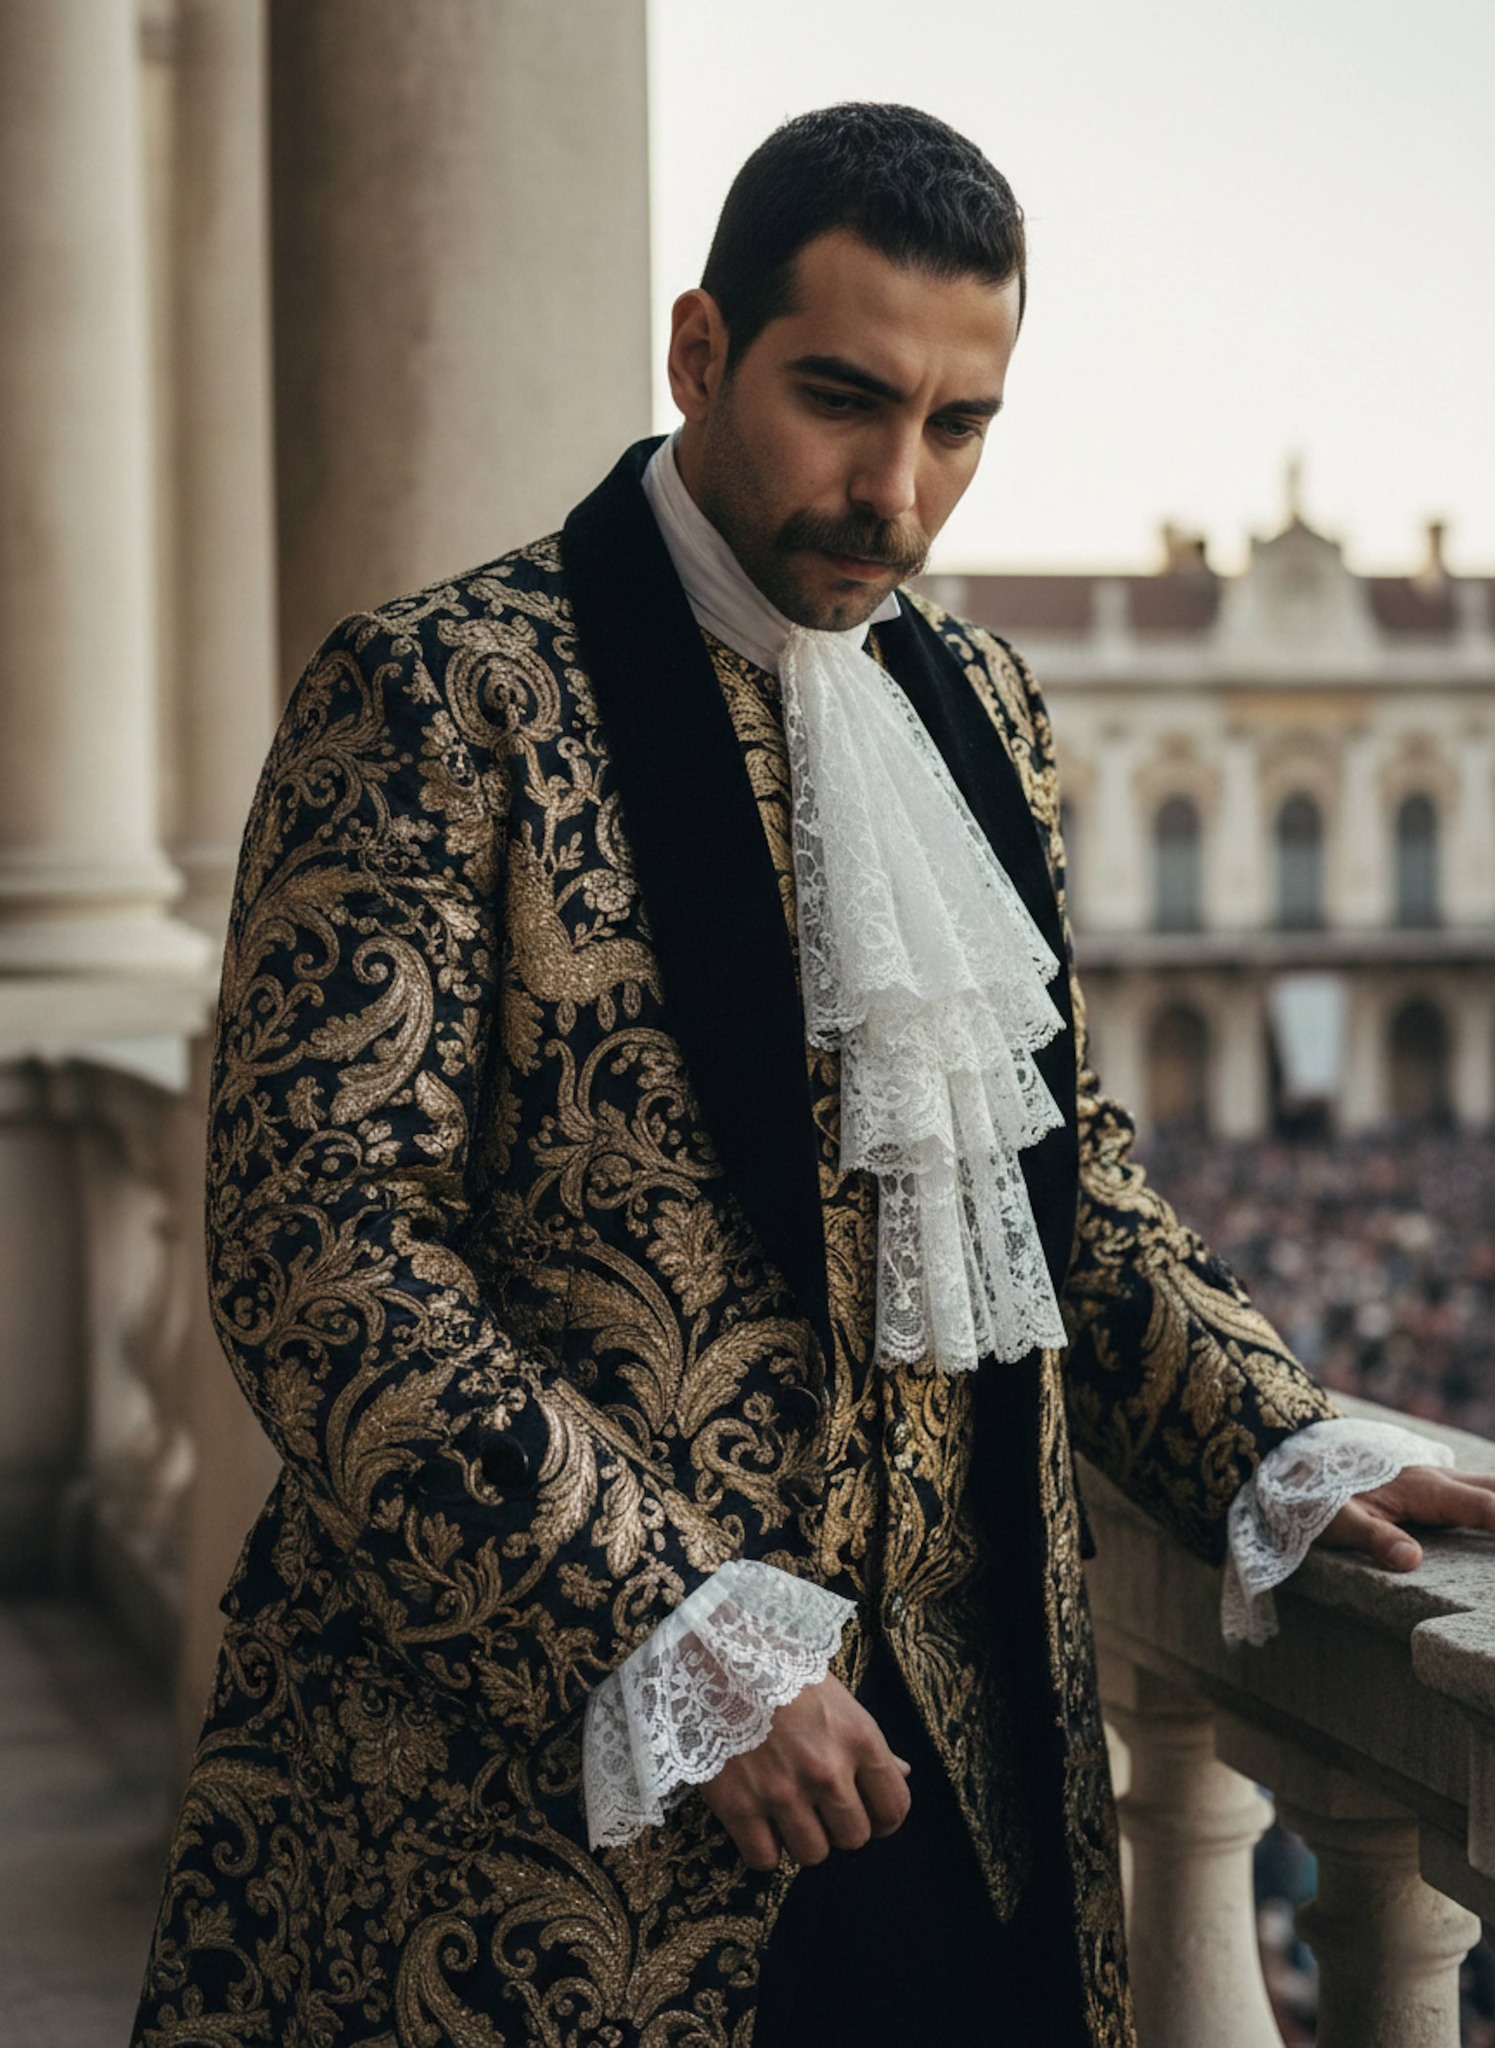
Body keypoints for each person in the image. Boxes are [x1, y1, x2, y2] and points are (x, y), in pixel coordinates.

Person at [131, 102, 1495, 2048]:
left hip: (953, 1783)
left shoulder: (980, 704)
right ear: (698, 354)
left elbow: (1057, 1175)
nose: (895, 488)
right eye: (842, 399)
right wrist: (647, 1627)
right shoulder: (440, 691)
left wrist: (1269, 1432)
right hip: (540, 1826)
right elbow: (318, 1247)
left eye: (958, 424)